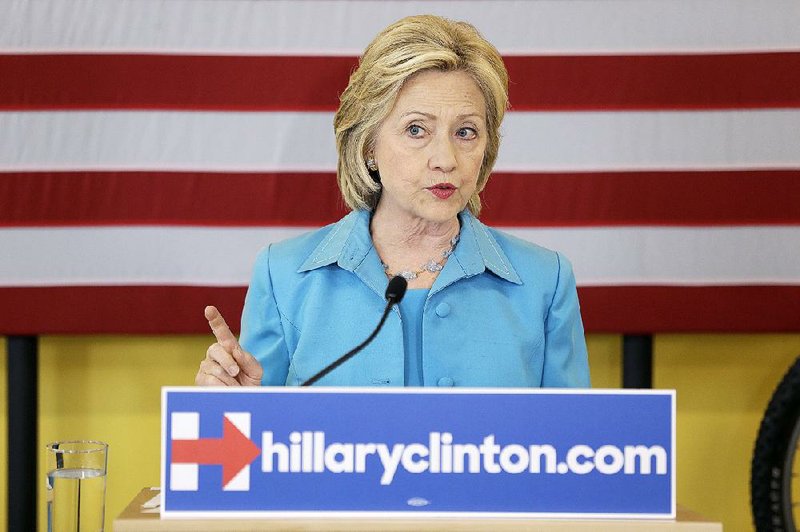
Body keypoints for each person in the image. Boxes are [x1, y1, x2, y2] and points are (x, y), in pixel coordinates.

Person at [196, 15, 590, 388]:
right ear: (369, 145)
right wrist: (237, 401)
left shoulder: (545, 281)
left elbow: (575, 444)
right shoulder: (283, 276)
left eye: (466, 132)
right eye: (416, 129)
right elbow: (252, 442)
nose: (446, 159)